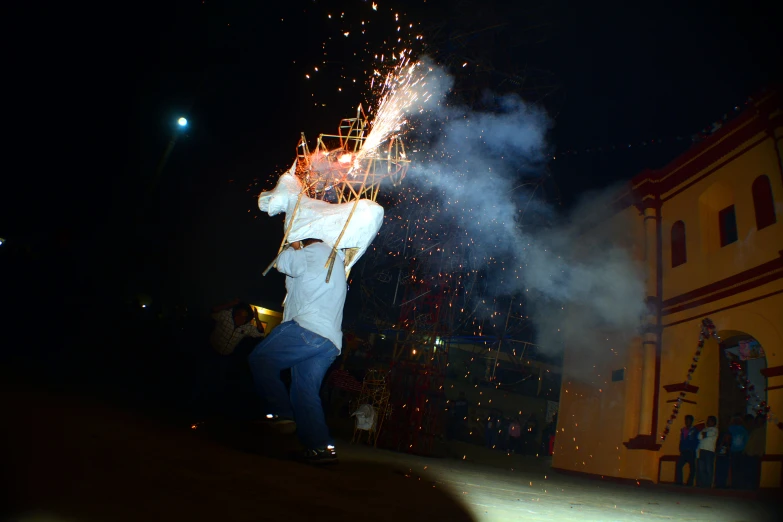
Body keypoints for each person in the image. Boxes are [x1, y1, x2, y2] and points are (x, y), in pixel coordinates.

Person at [249, 239, 346, 465]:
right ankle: (319, 447)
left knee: (260, 359)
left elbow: (283, 264)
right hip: (329, 341)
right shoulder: (335, 258)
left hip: (307, 329)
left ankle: (280, 414)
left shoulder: (312, 252)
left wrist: (291, 245)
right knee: (304, 392)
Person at [196, 300, 265, 418]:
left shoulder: (247, 327)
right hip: (211, 352)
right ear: (235, 313)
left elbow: (260, 333)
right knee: (203, 376)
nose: (240, 318)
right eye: (238, 314)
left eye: (244, 316)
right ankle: (197, 403)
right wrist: (231, 304)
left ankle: (212, 409)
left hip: (225, 357)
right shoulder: (226, 316)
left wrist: (257, 319)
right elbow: (213, 311)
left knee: (219, 380)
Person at [675, 415, 700, 486]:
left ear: (691, 421)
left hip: (691, 451)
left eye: (688, 420)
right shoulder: (683, 430)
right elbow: (682, 440)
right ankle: (679, 482)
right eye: (686, 420)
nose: (687, 422)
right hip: (684, 451)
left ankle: (690, 483)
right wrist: (680, 447)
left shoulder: (695, 430)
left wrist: (692, 448)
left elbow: (696, 441)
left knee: (692, 468)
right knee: (679, 465)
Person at [744, 415, 766, 489]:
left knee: (753, 472)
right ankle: (752, 486)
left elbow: (750, 443)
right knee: (753, 471)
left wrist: (746, 451)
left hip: (755, 454)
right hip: (754, 454)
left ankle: (752, 486)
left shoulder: (761, 431)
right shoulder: (757, 431)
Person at [696, 416, 718, 488]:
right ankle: (702, 485)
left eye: (709, 421)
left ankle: (708, 485)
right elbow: (699, 436)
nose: (707, 422)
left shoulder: (715, 429)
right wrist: (703, 433)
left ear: (714, 422)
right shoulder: (704, 429)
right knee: (701, 469)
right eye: (707, 420)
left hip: (709, 451)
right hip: (702, 450)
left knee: (709, 469)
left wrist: (704, 434)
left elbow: (707, 434)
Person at [728, 415, 748, 488]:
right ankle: (734, 484)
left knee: (740, 468)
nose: (737, 421)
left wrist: (745, 450)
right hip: (733, 451)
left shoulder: (744, 429)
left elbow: (746, 441)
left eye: (738, 419)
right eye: (736, 419)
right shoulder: (732, 428)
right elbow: (727, 430)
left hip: (741, 451)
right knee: (733, 468)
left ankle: (739, 484)